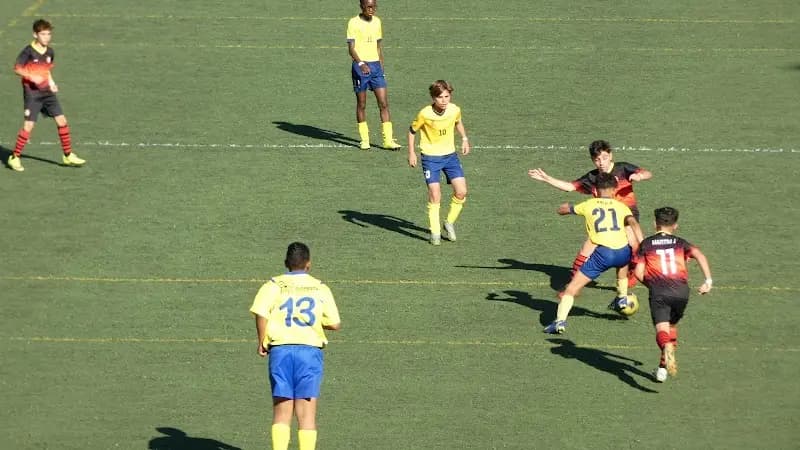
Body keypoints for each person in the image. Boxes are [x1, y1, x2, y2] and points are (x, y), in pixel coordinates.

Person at [250, 242, 342, 450]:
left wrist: (262, 341)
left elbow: (261, 312)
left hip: (281, 350)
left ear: (286, 263)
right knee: (306, 415)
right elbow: (335, 323)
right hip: (309, 352)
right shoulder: (319, 287)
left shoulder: (273, 285)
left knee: (282, 412)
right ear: (308, 264)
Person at [528, 140, 651, 289]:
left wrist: (640, 176)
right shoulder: (592, 178)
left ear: (611, 155)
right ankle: (576, 275)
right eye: (597, 159)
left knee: (633, 243)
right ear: (593, 160)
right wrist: (547, 178)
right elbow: (569, 187)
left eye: (604, 158)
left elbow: (646, 173)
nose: (601, 163)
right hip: (603, 219)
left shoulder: (623, 168)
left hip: (626, 216)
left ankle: (631, 273)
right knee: (588, 247)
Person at [543, 172, 643, 334]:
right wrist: (641, 241)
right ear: (614, 190)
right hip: (623, 251)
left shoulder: (588, 204)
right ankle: (622, 298)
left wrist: (562, 208)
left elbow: (565, 210)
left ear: (596, 189)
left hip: (603, 254)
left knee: (571, 289)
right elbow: (632, 223)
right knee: (622, 273)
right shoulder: (622, 207)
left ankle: (560, 322)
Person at [634, 207, 712, 382]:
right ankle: (662, 369)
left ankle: (666, 347)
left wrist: (652, 286)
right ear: (675, 225)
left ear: (655, 224)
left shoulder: (646, 244)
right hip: (681, 292)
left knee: (662, 331)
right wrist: (708, 281)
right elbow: (699, 255)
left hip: (659, 292)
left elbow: (638, 273)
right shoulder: (681, 243)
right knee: (671, 328)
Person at [7, 19, 85, 172]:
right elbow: (17, 68)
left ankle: (68, 155)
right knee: (28, 126)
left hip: (47, 93)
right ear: (35, 34)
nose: (47, 37)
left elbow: (46, 70)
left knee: (62, 121)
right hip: (33, 94)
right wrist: (31, 77)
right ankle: (14, 157)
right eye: (43, 34)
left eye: (49, 34)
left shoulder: (50, 52)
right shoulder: (27, 51)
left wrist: (52, 83)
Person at [407, 80, 471, 245]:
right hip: (430, 158)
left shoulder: (454, 109)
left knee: (461, 192)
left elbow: (458, 122)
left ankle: (448, 222)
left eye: (447, 96)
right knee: (435, 194)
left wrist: (464, 139)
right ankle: (435, 232)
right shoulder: (425, 114)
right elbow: (412, 131)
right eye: (440, 97)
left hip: (450, 157)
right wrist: (412, 152)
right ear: (433, 98)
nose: (444, 101)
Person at [346, 0, 401, 150]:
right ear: (362, 6)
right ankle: (365, 140)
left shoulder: (377, 22)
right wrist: (361, 63)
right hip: (360, 67)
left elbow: (378, 47)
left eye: (374, 6)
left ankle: (388, 140)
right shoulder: (353, 23)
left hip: (376, 67)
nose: (372, 9)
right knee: (362, 104)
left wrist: (381, 66)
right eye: (369, 6)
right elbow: (351, 49)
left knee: (383, 103)